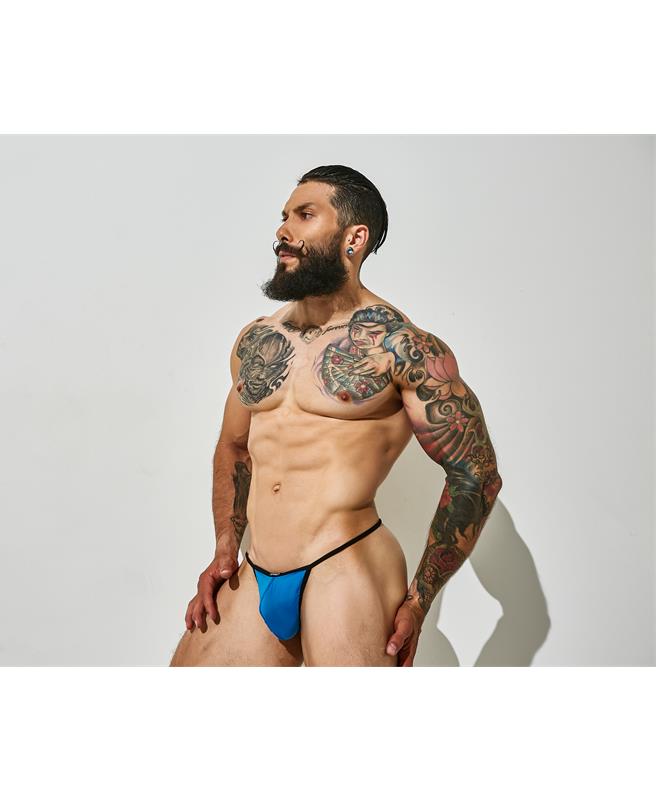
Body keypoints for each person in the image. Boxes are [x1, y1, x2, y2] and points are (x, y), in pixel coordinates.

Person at [169, 165, 503, 666]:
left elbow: (476, 473)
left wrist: (419, 599)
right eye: (284, 216)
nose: (283, 230)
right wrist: (224, 547)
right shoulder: (257, 339)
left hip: (345, 565)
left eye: (305, 215)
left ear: (354, 238)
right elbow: (234, 446)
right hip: (257, 565)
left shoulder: (402, 347)